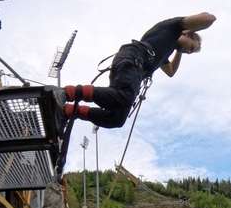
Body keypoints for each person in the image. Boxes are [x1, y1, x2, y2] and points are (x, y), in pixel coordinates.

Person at [61, 12, 216, 129]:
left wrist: (180, 51)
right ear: (188, 34)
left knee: (117, 119)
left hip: (133, 67)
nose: (189, 52)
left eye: (190, 52)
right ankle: (68, 93)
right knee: (126, 96)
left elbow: (171, 72)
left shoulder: (165, 51)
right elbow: (209, 19)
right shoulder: (172, 27)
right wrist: (188, 26)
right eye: (191, 48)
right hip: (133, 58)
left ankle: (71, 111)